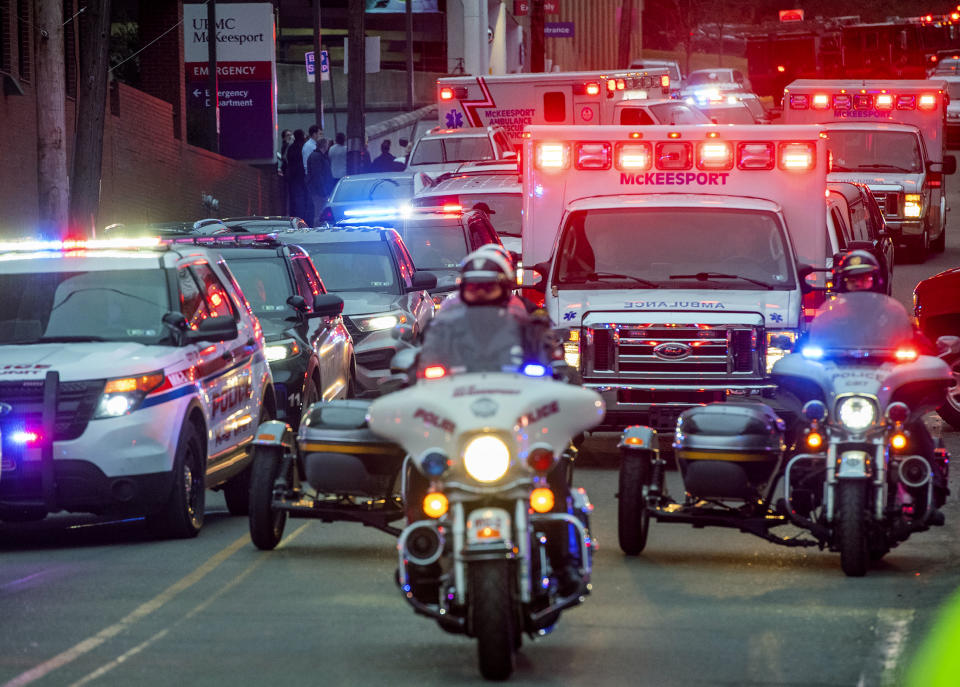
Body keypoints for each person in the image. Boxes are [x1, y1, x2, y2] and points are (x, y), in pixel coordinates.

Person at [411, 248, 582, 594]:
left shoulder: (528, 321)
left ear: (505, 285)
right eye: (474, 285)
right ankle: (421, 558)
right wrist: (413, 377)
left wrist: (558, 374)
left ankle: (565, 563)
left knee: (551, 464)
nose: (481, 291)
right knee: (420, 465)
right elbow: (423, 360)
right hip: (460, 423)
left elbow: (551, 359)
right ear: (463, 286)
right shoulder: (445, 323)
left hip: (514, 423)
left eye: (488, 284)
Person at [306, 138, 334, 225]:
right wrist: (323, 191)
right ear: (324, 145)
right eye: (327, 144)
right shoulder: (317, 157)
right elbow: (317, 175)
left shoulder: (318, 156)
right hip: (318, 191)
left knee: (319, 212)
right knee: (319, 213)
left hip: (319, 190)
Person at [285, 130, 310, 222]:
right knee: (302, 198)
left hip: (293, 176)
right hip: (301, 176)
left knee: (294, 199)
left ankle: (294, 218)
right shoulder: (303, 147)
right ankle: (302, 219)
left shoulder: (291, 148)